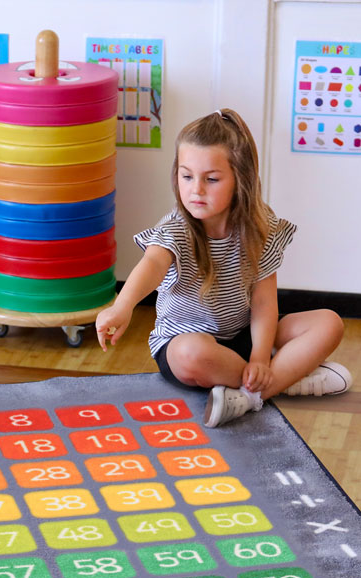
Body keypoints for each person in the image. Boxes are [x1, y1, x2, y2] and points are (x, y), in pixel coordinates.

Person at [95, 108, 351, 427]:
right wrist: (123, 307)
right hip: (188, 343)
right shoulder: (175, 228)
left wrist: (259, 356)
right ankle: (283, 381)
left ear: (239, 179)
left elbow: (263, 302)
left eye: (211, 179)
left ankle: (253, 390)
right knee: (191, 353)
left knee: (329, 322)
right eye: (186, 176)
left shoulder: (261, 227)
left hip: (244, 335)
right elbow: (152, 264)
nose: (196, 189)